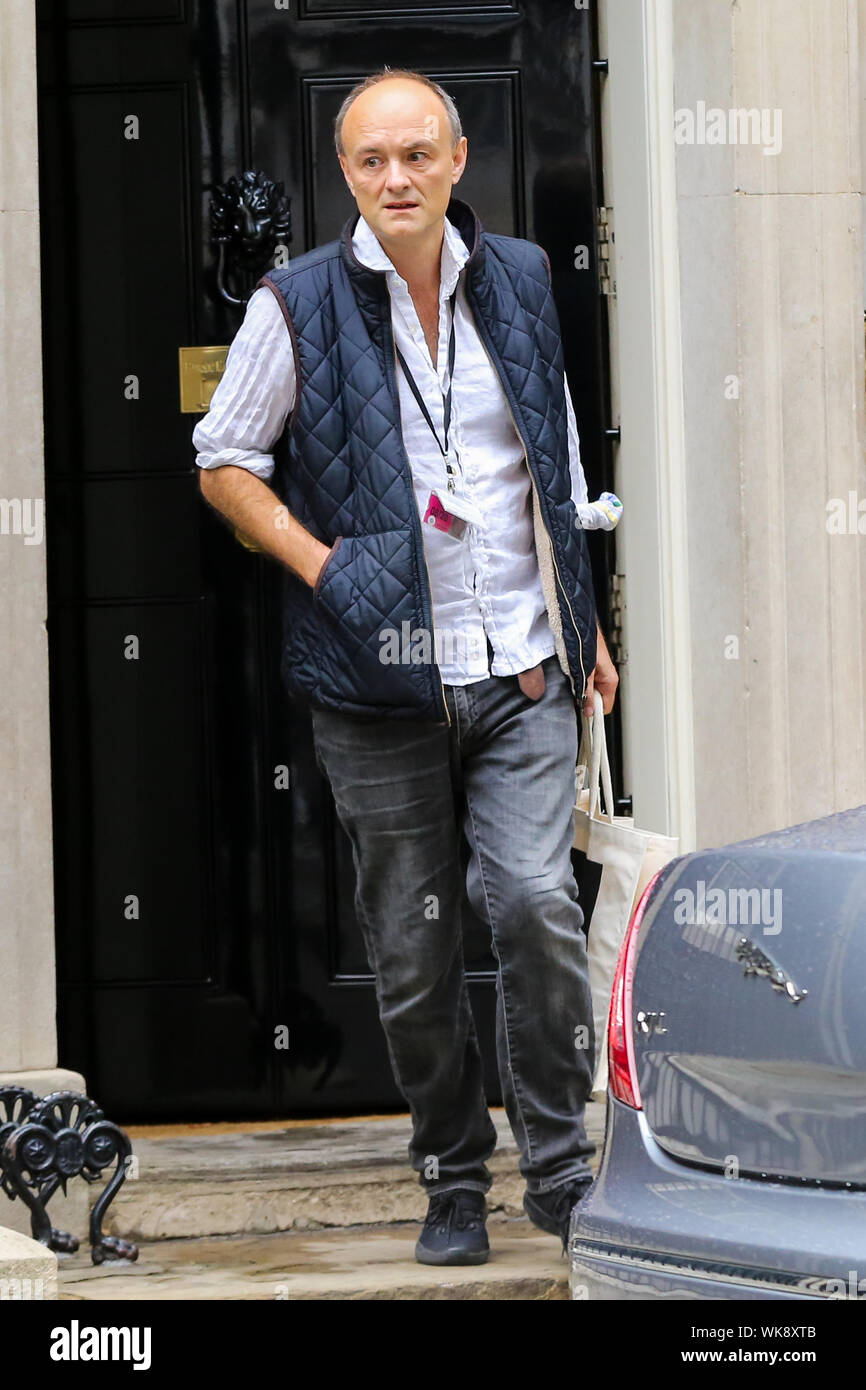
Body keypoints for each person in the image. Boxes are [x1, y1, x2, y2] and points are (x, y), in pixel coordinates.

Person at [194, 67, 619, 1266]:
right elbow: (223, 459)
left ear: (457, 157)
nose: (397, 178)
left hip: (520, 665)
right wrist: (322, 566)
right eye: (373, 160)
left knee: (535, 905)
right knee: (414, 941)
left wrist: (581, 613)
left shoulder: (525, 278)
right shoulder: (295, 302)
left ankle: (556, 1166)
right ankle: (447, 1174)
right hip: (377, 686)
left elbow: (555, 444)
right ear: (345, 172)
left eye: (417, 155)